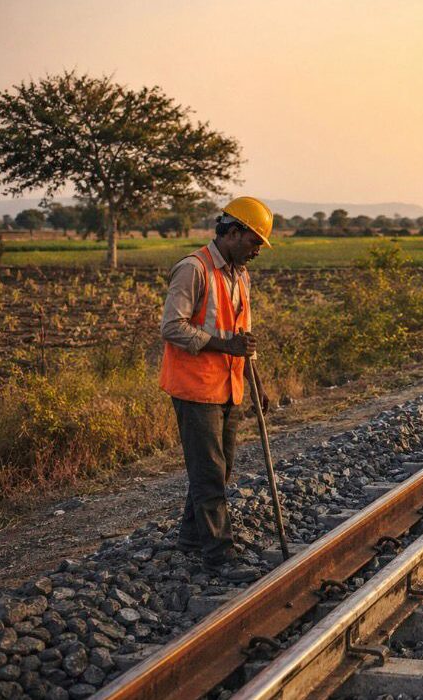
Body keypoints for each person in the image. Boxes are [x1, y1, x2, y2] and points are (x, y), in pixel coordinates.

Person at [159, 196, 273, 582]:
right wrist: (225, 346)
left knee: (219, 470)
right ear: (234, 232)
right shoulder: (194, 269)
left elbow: (243, 338)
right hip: (195, 389)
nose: (257, 251)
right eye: (254, 242)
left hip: (228, 387)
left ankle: (191, 539)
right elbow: (172, 327)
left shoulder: (240, 275)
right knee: (209, 473)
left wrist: (256, 382)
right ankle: (219, 556)